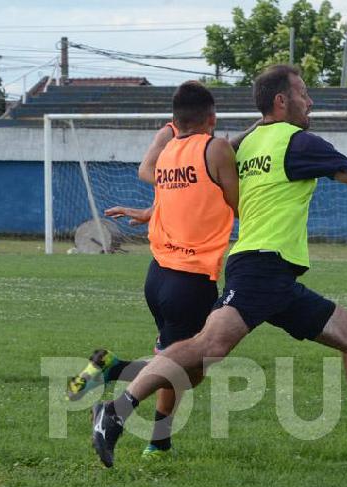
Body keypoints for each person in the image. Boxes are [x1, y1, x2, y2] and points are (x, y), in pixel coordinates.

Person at [90, 65, 347, 469]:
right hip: (261, 268)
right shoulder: (299, 143)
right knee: (209, 346)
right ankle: (115, 411)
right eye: (303, 93)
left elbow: (194, 183)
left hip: (274, 274)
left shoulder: (245, 142)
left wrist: (152, 209)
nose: (310, 102)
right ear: (281, 100)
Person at [67, 81, 239, 460]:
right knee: (183, 367)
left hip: (158, 275)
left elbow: (175, 192)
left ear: (176, 120)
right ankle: (146, 429)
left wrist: (150, 209)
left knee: (183, 364)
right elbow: (240, 206)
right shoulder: (216, 149)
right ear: (211, 119)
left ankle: (146, 420)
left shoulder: (169, 154)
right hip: (190, 278)